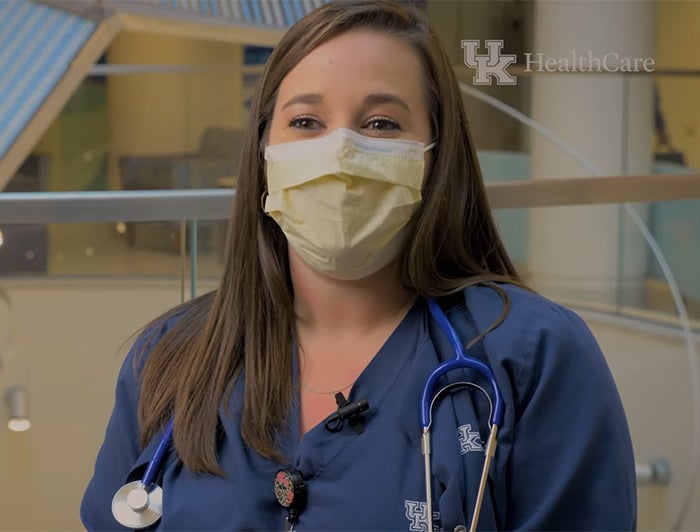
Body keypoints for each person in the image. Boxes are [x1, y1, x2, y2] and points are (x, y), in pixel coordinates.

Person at [81, 1, 637, 530]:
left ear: (435, 158)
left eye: (381, 125)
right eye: (305, 122)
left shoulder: (530, 356)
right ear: (264, 154)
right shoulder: (171, 359)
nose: (340, 151)